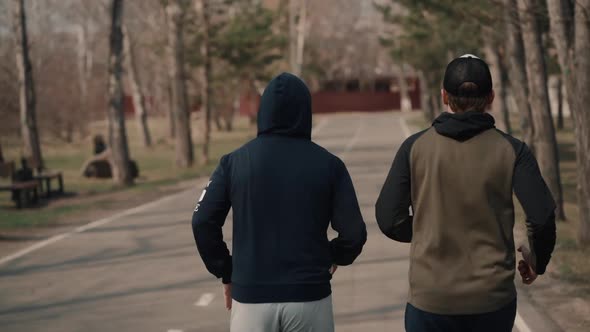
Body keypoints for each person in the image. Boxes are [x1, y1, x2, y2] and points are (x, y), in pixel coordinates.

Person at [375, 54, 556, 332]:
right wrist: (536, 261)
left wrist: (429, 228)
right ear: (492, 97)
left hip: (430, 300)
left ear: (445, 96)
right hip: (492, 302)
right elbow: (541, 216)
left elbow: (389, 218)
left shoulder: (414, 148)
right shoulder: (513, 150)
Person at [192, 72, 367, 332]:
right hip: (309, 295)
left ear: (264, 112)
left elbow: (202, 221)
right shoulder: (330, 165)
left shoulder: (234, 163)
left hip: (251, 297)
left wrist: (227, 271)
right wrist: (331, 257)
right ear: (305, 112)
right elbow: (354, 233)